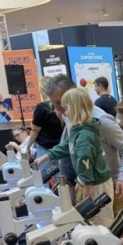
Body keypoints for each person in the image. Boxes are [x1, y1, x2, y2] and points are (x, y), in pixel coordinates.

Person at [45, 74, 123, 215]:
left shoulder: (101, 119)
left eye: (60, 102)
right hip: (82, 185)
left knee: (110, 227)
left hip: (107, 188)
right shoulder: (69, 114)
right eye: (54, 104)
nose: (58, 109)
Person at [34, 88, 114, 227]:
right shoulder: (77, 129)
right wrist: (46, 157)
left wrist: (86, 185)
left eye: (66, 108)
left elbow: (85, 160)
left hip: (96, 184)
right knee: (90, 219)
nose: (64, 112)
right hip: (89, 182)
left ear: (76, 109)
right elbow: (66, 146)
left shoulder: (85, 134)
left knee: (100, 221)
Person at [26, 76, 64, 176]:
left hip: (45, 147)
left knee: (42, 177)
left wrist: (28, 146)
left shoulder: (42, 107)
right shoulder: (61, 104)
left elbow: (35, 130)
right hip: (61, 146)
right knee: (61, 177)